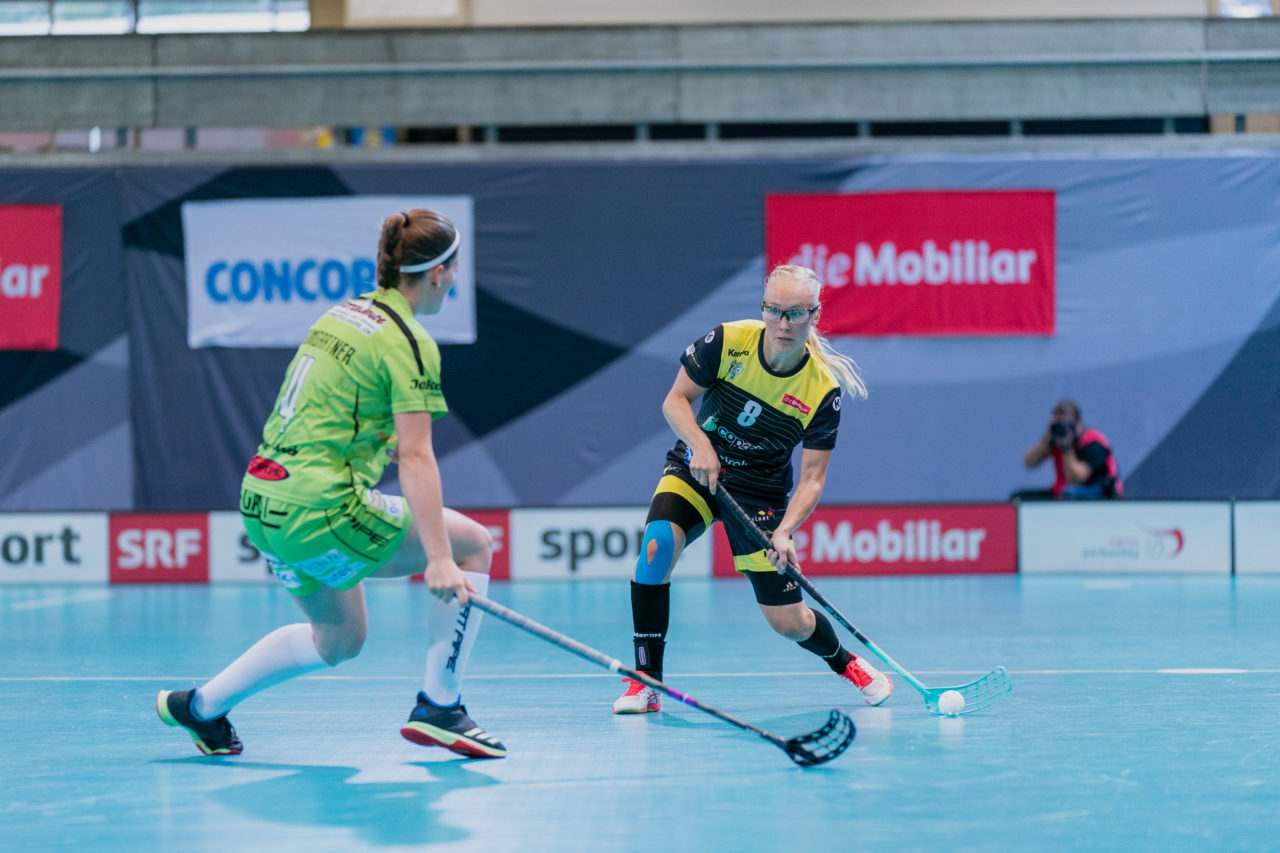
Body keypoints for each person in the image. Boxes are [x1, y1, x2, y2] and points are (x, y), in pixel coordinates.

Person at [157, 208, 506, 759]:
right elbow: (416, 456)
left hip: (262, 503)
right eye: (455, 269)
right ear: (438, 273)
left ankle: (200, 708)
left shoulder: (343, 314)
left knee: (341, 639)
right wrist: (439, 558)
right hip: (321, 508)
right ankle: (442, 706)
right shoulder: (409, 342)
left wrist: (369, 439)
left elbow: (328, 408)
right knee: (472, 545)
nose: (455, 280)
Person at [612, 264, 893, 715]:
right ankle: (646, 683)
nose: (783, 324)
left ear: (815, 315)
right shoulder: (727, 341)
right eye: (775, 311)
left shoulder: (822, 389)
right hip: (697, 471)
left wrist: (784, 531)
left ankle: (846, 663)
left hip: (758, 494)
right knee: (656, 546)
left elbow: (813, 477)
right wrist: (700, 445)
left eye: (796, 313)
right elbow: (675, 401)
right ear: (763, 309)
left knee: (789, 622)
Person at [1012, 398, 1122, 501]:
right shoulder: (1054, 440)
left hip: (1099, 494)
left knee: (1069, 492)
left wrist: (1066, 447)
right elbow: (1029, 463)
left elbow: (1075, 480)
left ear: (1078, 424)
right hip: (1064, 493)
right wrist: (1046, 439)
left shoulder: (1093, 442)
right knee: (1019, 498)